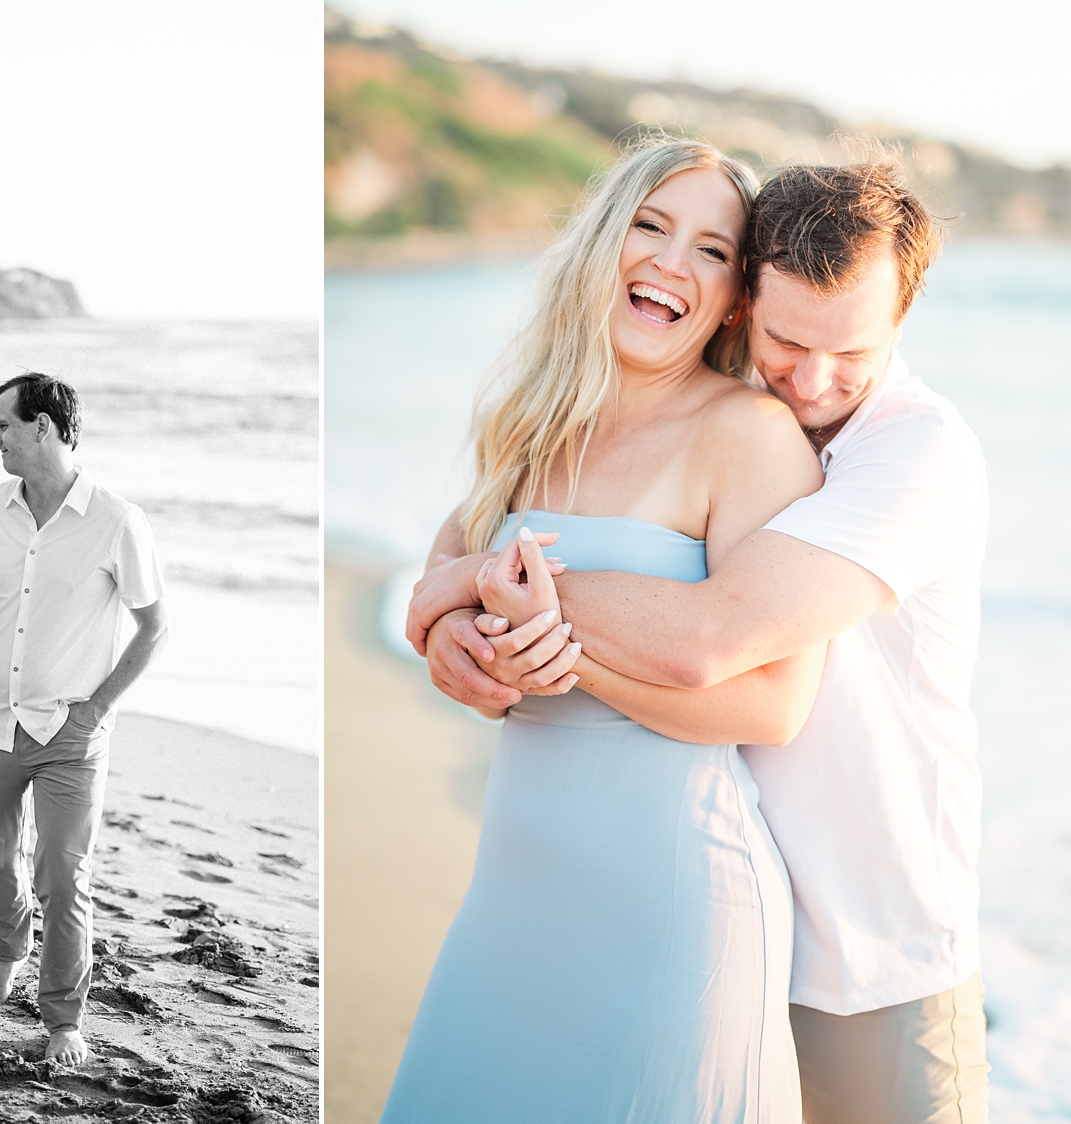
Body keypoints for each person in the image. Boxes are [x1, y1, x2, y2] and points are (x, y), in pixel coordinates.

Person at [412, 159, 990, 1122]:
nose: (813, 381)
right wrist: (450, 624)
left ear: (904, 315)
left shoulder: (913, 452)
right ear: (747, 303)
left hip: (869, 945)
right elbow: (454, 562)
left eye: (852, 352)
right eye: (787, 340)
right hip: (712, 902)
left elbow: (714, 640)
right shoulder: (563, 419)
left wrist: (490, 600)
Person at [378, 138, 835, 1122]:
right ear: (602, 242)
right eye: (652, 225)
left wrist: (558, 642)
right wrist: (456, 646)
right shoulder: (528, 423)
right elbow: (442, 591)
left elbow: (775, 702)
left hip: (675, 903)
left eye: (714, 251)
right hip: (512, 888)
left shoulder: (748, 435)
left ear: (736, 300)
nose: (674, 262)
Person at [0, 373, 169, 1066]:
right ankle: (9, 950)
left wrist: (97, 707)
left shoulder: (119, 521)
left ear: (44, 429)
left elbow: (154, 627)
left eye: (3, 424)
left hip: (70, 736)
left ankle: (63, 1017)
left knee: (65, 876)